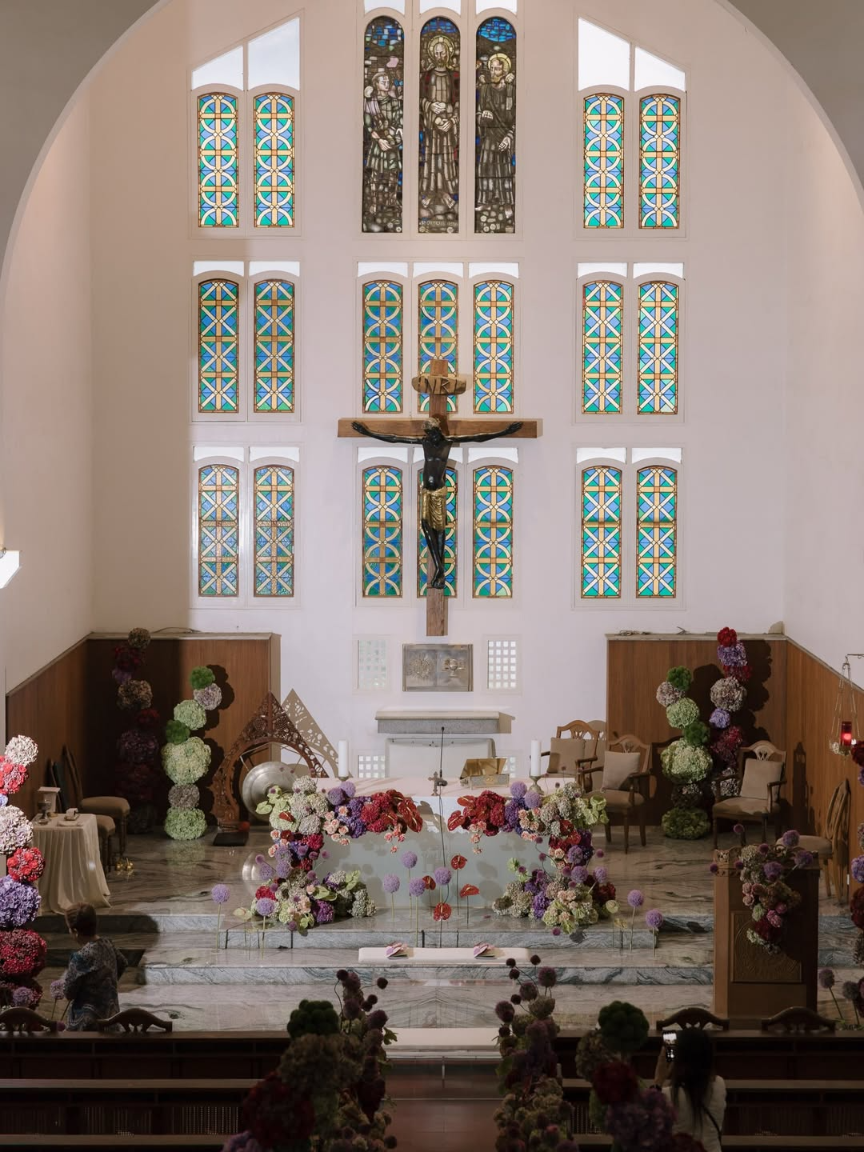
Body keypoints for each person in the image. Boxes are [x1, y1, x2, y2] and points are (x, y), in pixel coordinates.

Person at [352, 414, 522, 589]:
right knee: (425, 526)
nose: (429, 436)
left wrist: (504, 432)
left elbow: (478, 438)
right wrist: (368, 433)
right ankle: (440, 568)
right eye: (427, 433)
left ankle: (440, 572)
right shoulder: (425, 443)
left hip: (439, 492)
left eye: (431, 432)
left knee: (440, 530)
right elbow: (395, 439)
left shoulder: (448, 442)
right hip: (426, 491)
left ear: (437, 430)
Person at [654, 1028, 726, 1152]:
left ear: (679, 1059)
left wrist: (658, 1080)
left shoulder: (667, 1095)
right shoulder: (719, 1084)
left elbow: (647, 1123)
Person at [61, 902, 127, 1031]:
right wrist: (107, 986)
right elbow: (123, 963)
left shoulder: (80, 957)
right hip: (111, 1017)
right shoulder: (108, 944)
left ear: (75, 931)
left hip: (88, 1025)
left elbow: (69, 993)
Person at [419, 34, 460, 226]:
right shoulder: (426, 76)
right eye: (436, 52)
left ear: (448, 53)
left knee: (446, 159)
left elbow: (460, 102)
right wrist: (430, 108)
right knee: (431, 158)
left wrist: (452, 119)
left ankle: (446, 193)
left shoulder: (455, 76)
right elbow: (418, 99)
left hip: (448, 127)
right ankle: (430, 193)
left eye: (443, 52)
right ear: (432, 54)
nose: (440, 54)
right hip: (431, 127)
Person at [476, 52, 516, 229]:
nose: (493, 72)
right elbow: (477, 114)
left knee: (504, 171)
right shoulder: (484, 89)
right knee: (485, 168)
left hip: (504, 136)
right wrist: (482, 117)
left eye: (497, 69)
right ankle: (484, 201)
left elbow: (516, 118)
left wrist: (509, 137)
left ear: (504, 70)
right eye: (491, 68)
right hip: (488, 136)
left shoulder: (510, 90)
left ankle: (507, 203)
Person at [363, 70, 403, 231]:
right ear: (376, 85)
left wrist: (391, 137)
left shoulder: (395, 102)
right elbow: (368, 125)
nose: (386, 83)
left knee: (392, 174)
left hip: (392, 142)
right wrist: (379, 140)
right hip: (377, 142)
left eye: (387, 81)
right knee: (376, 176)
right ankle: (373, 203)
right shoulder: (370, 103)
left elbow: (399, 121)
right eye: (383, 81)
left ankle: (392, 201)